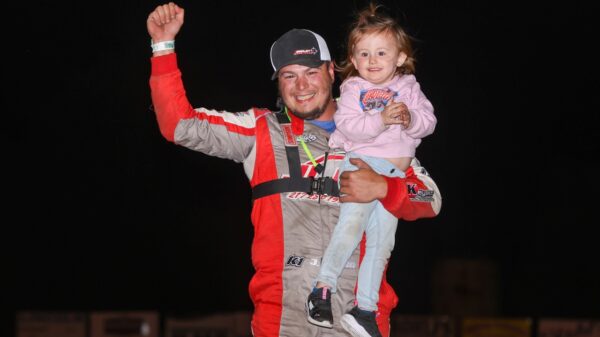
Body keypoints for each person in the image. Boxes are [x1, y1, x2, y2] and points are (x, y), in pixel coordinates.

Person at [146, 3, 441, 337]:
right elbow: (179, 124)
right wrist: (163, 46)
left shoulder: (383, 132)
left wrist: (386, 189)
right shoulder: (260, 130)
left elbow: (430, 198)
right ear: (278, 83)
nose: (301, 86)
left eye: (310, 71)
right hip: (280, 325)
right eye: (289, 75)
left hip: (356, 325)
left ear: (332, 71)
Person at [306, 4, 436, 337]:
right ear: (353, 57)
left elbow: (429, 123)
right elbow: (348, 127)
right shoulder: (352, 89)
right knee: (350, 228)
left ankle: (364, 309)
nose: (372, 60)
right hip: (361, 165)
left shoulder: (410, 88)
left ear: (400, 58)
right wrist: (381, 120)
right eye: (364, 54)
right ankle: (322, 290)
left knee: (381, 244)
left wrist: (410, 118)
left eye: (381, 52)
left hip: (393, 176)